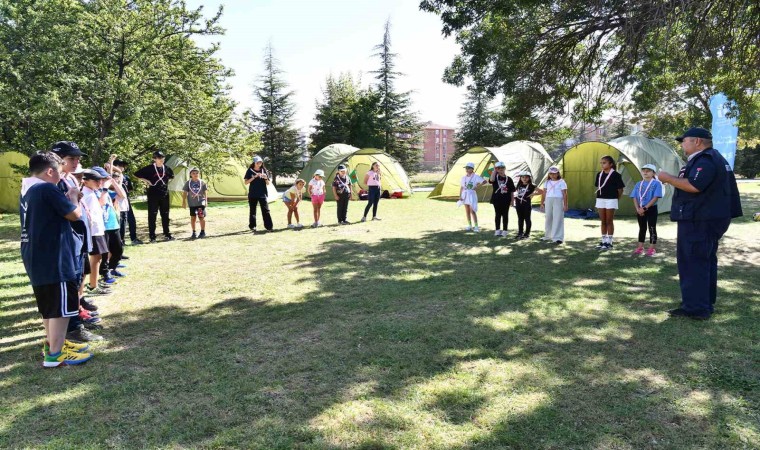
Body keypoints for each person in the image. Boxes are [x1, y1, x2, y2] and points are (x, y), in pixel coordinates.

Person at [658, 127, 742, 320]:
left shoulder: (705, 160)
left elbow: (694, 185)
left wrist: (667, 178)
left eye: (684, 140)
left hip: (700, 219)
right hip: (705, 218)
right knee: (704, 260)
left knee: (692, 261)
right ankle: (703, 303)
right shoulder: (712, 158)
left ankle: (696, 308)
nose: (682, 144)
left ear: (697, 141)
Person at [19, 151, 93, 367]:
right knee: (60, 309)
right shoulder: (46, 188)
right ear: (50, 171)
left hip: (36, 255)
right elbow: (74, 214)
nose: (61, 177)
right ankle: (55, 355)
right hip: (54, 257)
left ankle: (54, 344)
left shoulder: (27, 189)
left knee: (49, 306)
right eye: (59, 172)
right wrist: (72, 197)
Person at [81, 168, 114, 294]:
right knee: (96, 258)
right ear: (85, 181)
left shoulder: (91, 192)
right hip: (93, 231)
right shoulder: (86, 194)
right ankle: (93, 286)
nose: (99, 182)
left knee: (98, 257)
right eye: (96, 180)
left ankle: (93, 283)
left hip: (98, 229)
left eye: (100, 180)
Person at [134, 150, 175, 242]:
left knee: (165, 215)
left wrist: (165, 183)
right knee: (152, 215)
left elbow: (172, 177)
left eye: (162, 157)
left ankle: (167, 234)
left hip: (164, 194)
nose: (161, 159)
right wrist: (147, 181)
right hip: (153, 194)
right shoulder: (149, 168)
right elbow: (136, 174)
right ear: (154, 159)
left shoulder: (167, 168)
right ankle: (152, 236)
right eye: (159, 158)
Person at [630, 164, 663, 256]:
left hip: (651, 208)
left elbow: (655, 197)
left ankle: (652, 248)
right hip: (640, 209)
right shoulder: (638, 184)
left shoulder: (656, 184)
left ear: (653, 173)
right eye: (643, 170)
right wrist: (638, 209)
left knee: (652, 228)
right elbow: (634, 197)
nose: (645, 172)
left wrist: (644, 208)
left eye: (648, 171)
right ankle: (640, 247)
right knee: (642, 228)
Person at [594, 155, 626, 250]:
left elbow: (620, 189)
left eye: (604, 163)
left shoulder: (616, 175)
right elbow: (598, 186)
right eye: (601, 163)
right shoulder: (599, 174)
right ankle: (604, 241)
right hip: (600, 199)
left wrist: (616, 199)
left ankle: (610, 242)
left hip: (611, 200)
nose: (602, 164)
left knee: (609, 221)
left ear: (611, 164)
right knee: (603, 221)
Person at [112, 159, 141, 244]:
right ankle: (120, 240)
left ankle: (133, 238)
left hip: (126, 200)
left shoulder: (126, 177)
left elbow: (130, 189)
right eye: (120, 166)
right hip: (116, 201)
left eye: (124, 166)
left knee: (131, 220)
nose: (123, 168)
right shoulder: (111, 176)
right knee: (119, 221)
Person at [244, 156, 273, 232]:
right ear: (254, 163)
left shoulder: (263, 170)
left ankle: (269, 227)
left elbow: (268, 183)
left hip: (262, 194)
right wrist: (254, 177)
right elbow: (246, 182)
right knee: (252, 211)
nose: (259, 164)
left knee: (266, 211)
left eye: (260, 162)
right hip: (253, 194)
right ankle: (252, 226)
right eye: (258, 162)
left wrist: (265, 178)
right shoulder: (250, 170)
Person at [540, 166, 568, 244]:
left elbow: (565, 194)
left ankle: (558, 237)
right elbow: (544, 193)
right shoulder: (547, 182)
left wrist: (565, 205)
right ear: (549, 174)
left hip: (558, 200)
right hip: (548, 200)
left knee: (558, 217)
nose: (553, 175)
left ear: (558, 173)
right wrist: (542, 203)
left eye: (554, 173)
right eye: (551, 173)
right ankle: (547, 235)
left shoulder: (562, 182)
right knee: (548, 217)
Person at [489, 161, 515, 237]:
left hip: (506, 200)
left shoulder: (509, 179)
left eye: (502, 167)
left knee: (505, 215)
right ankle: (497, 230)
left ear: (505, 168)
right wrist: (494, 171)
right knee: (497, 214)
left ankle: (505, 230)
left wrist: (512, 200)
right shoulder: (495, 177)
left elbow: (512, 191)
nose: (501, 169)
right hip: (496, 199)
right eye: (498, 168)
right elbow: (491, 180)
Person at [459, 162, 487, 232]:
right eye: (466, 168)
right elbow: (462, 187)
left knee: (472, 210)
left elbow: (484, 181)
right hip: (465, 195)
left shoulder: (476, 176)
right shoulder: (463, 178)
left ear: (472, 169)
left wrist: (477, 186)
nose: (467, 169)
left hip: (472, 194)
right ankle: (469, 225)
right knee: (467, 210)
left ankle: (476, 226)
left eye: (468, 168)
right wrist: (460, 196)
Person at [181, 168, 208, 239]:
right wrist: (184, 202)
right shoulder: (188, 183)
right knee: (193, 217)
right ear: (190, 174)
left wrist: (206, 201)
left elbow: (205, 192)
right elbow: (185, 192)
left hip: (200, 202)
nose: (195, 174)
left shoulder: (202, 182)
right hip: (192, 203)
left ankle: (202, 232)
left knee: (201, 216)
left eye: (197, 173)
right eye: (193, 173)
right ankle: (194, 232)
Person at [513, 171, 537, 239]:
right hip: (518, 204)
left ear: (529, 178)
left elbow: (541, 191)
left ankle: (527, 233)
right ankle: (520, 233)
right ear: (520, 178)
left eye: (526, 177)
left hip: (527, 204)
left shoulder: (532, 185)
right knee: (520, 218)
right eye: (522, 177)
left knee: (527, 219)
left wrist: (532, 194)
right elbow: (514, 192)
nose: (524, 179)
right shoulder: (518, 185)